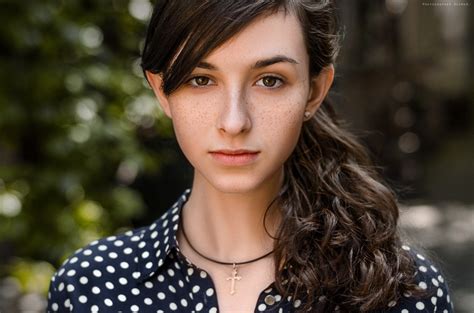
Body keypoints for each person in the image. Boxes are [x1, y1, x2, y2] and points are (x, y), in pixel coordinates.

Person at [46, 0, 454, 312]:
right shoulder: (91, 286)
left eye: (270, 80)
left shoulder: (399, 290)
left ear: (314, 91)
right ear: (161, 91)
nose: (234, 121)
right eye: (201, 79)